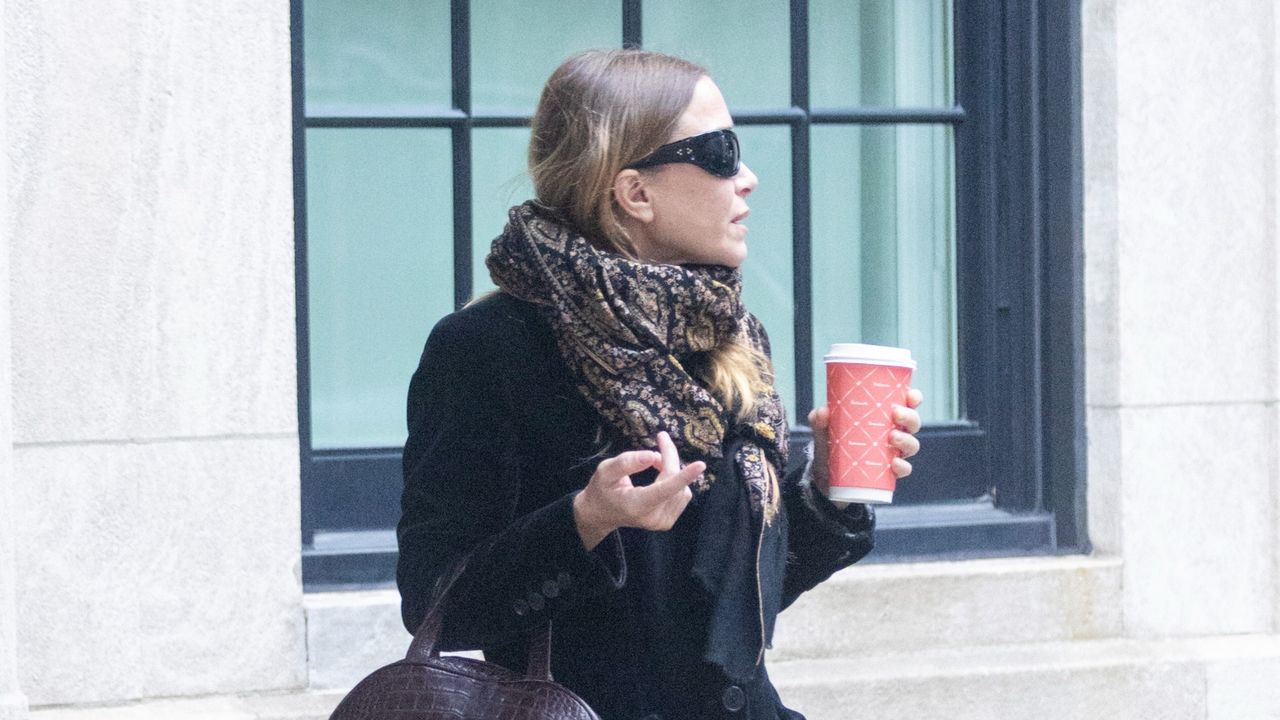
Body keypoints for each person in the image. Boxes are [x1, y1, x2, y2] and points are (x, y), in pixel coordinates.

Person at [396, 48, 924, 720]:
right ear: (635, 193)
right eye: (721, 154)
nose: (748, 179)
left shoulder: (727, 341)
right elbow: (435, 600)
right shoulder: (487, 346)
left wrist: (825, 493)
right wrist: (585, 521)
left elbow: (727, 608)